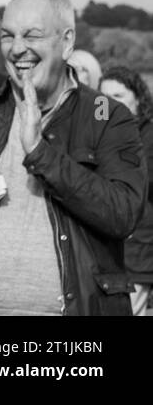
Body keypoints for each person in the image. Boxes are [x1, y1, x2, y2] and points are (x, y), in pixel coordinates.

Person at [0, 0, 146, 316]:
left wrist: (40, 153)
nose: (17, 49)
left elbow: (122, 214)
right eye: (7, 36)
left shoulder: (106, 114)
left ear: (67, 42)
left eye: (32, 35)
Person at [98, 65, 153, 316]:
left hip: (137, 248)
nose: (108, 103)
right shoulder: (95, 134)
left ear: (138, 99)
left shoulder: (147, 136)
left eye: (118, 96)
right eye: (103, 96)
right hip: (103, 250)